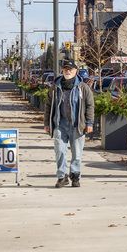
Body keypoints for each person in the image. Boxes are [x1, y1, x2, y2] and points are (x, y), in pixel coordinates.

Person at [44, 59, 95, 188]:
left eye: (70, 69)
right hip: (59, 124)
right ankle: (62, 177)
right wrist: (47, 123)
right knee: (60, 151)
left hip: (77, 125)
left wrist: (89, 123)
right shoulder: (55, 87)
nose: (68, 71)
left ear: (76, 71)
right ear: (62, 70)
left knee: (77, 153)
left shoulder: (83, 88)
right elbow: (48, 106)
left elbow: (90, 106)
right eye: (66, 69)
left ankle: (75, 175)